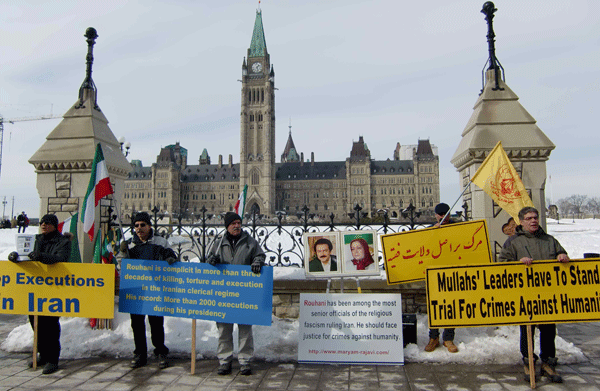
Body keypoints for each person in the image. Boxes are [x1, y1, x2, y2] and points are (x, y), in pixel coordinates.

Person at [499, 206, 568, 383]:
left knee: (548, 330)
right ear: (521, 222)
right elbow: (501, 265)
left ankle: (548, 362)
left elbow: (561, 253)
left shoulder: (549, 240)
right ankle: (528, 361)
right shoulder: (513, 242)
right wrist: (517, 263)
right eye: (529, 218)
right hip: (525, 295)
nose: (533, 221)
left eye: (535, 217)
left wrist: (562, 255)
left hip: (547, 295)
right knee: (527, 330)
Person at [8, 214, 71, 375]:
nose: (43, 225)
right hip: (35, 289)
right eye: (42, 222)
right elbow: (25, 255)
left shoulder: (62, 241)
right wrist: (15, 257)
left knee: (50, 325)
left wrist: (41, 257)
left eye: (47, 223)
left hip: (52, 290)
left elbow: (60, 258)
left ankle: (52, 359)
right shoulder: (35, 239)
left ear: (54, 225)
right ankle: (42, 354)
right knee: (36, 323)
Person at [207, 212, 265, 376]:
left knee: (245, 330)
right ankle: (224, 361)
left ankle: (245, 361)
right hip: (224, 293)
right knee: (224, 329)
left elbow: (260, 255)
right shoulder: (219, 243)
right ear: (227, 226)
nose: (237, 226)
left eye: (239, 223)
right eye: (233, 223)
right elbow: (210, 259)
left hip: (244, 293)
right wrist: (212, 261)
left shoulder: (250, 242)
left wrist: (257, 262)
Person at [121, 211, 177, 370]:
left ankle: (160, 351)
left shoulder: (160, 242)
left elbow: (170, 255)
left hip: (155, 289)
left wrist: (170, 259)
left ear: (149, 226)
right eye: (136, 226)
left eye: (142, 225)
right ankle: (140, 353)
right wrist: (123, 253)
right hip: (136, 289)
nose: (139, 228)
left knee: (156, 323)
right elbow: (121, 266)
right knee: (137, 324)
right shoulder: (129, 244)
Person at [425, 203, 459, 353]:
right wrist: (433, 233)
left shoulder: (458, 228)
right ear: (436, 215)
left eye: (446, 214)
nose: (443, 216)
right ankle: (433, 338)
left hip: (452, 273)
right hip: (434, 274)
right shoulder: (431, 229)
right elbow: (422, 246)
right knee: (434, 306)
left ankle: (448, 338)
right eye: (440, 214)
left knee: (450, 306)